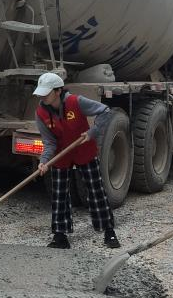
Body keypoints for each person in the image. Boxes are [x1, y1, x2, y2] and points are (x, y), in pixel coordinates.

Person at [31, 72, 121, 250]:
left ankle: (108, 231)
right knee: (59, 195)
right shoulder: (41, 112)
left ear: (58, 91)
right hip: (61, 153)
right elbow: (49, 142)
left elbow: (105, 111)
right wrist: (44, 160)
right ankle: (60, 235)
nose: (42, 96)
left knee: (95, 190)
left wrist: (92, 132)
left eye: (46, 93)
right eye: (41, 93)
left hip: (83, 149)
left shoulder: (76, 102)